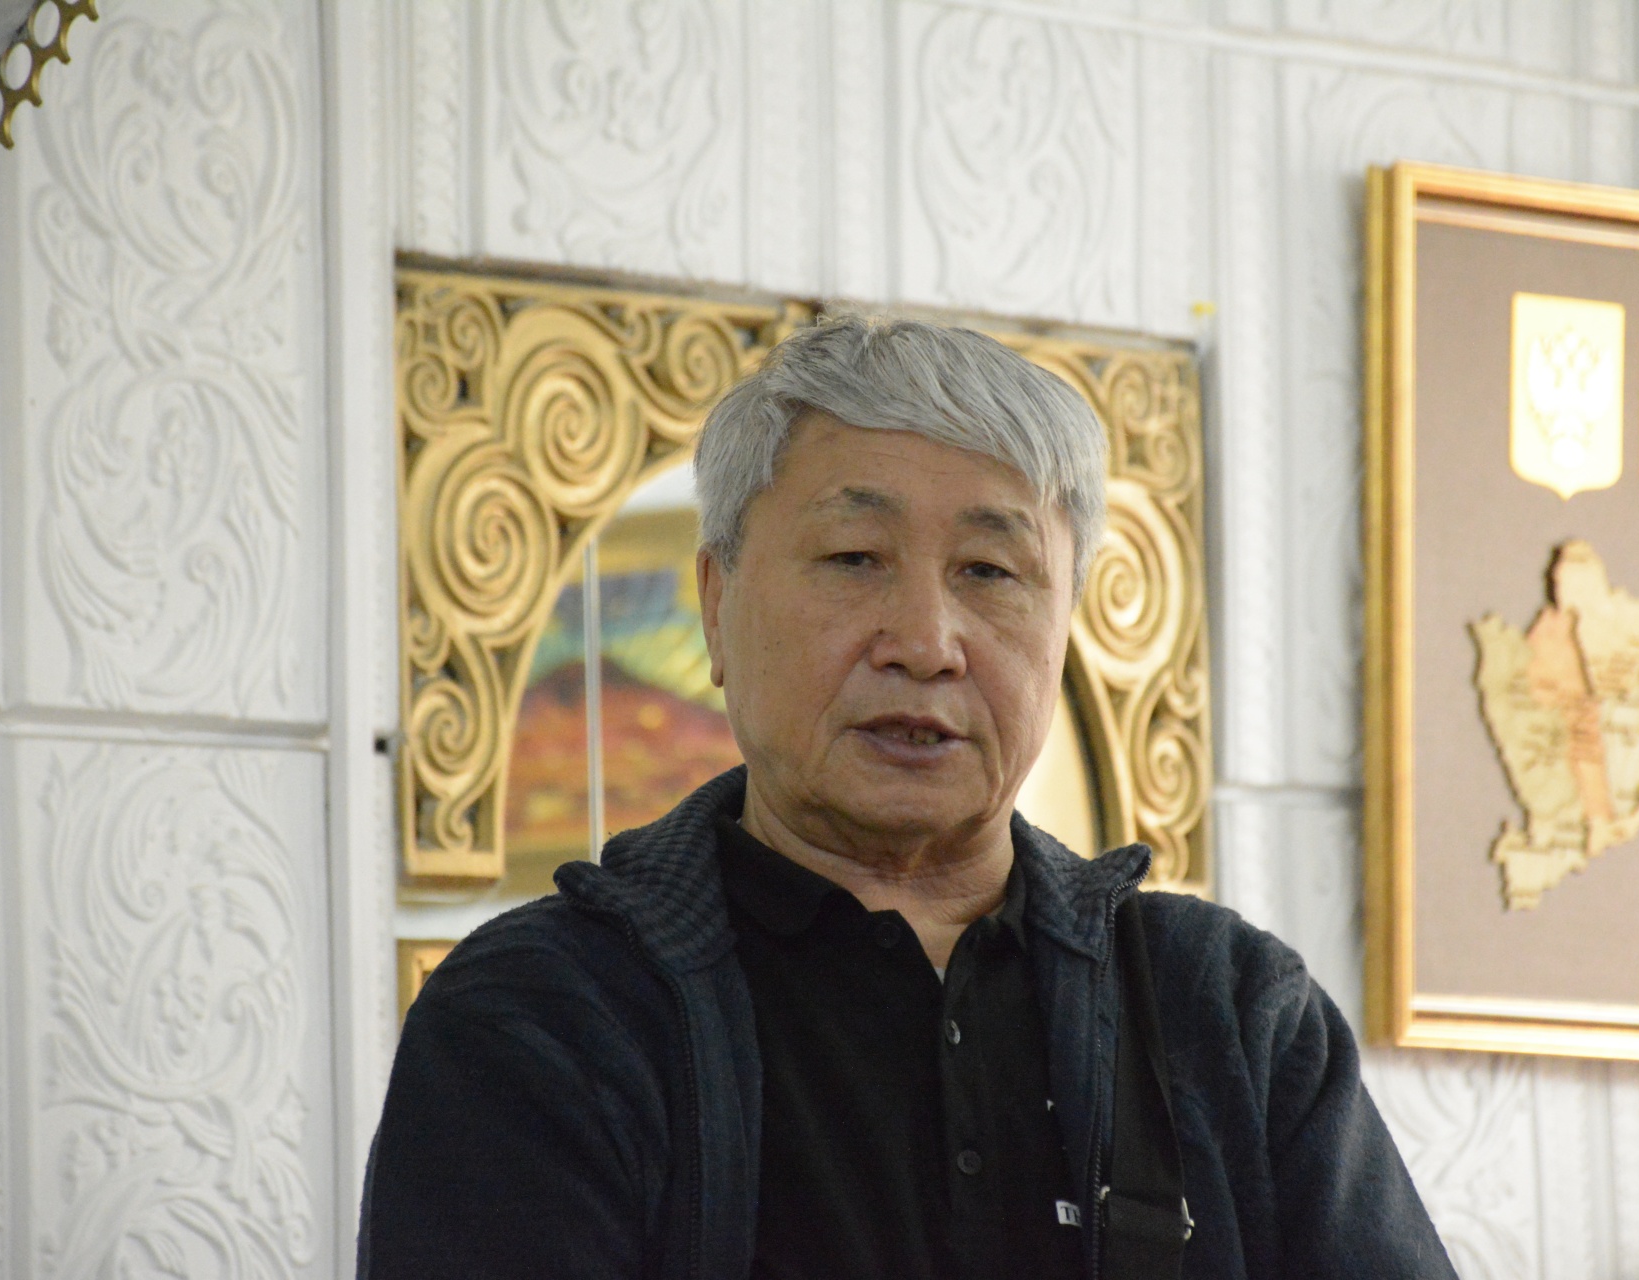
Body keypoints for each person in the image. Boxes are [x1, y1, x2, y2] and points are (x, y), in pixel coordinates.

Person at [358, 316, 1457, 1279]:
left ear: (1064, 624)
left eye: (990, 572)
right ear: (716, 603)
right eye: (854, 558)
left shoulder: (1231, 1018)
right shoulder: (544, 1018)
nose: (926, 642)